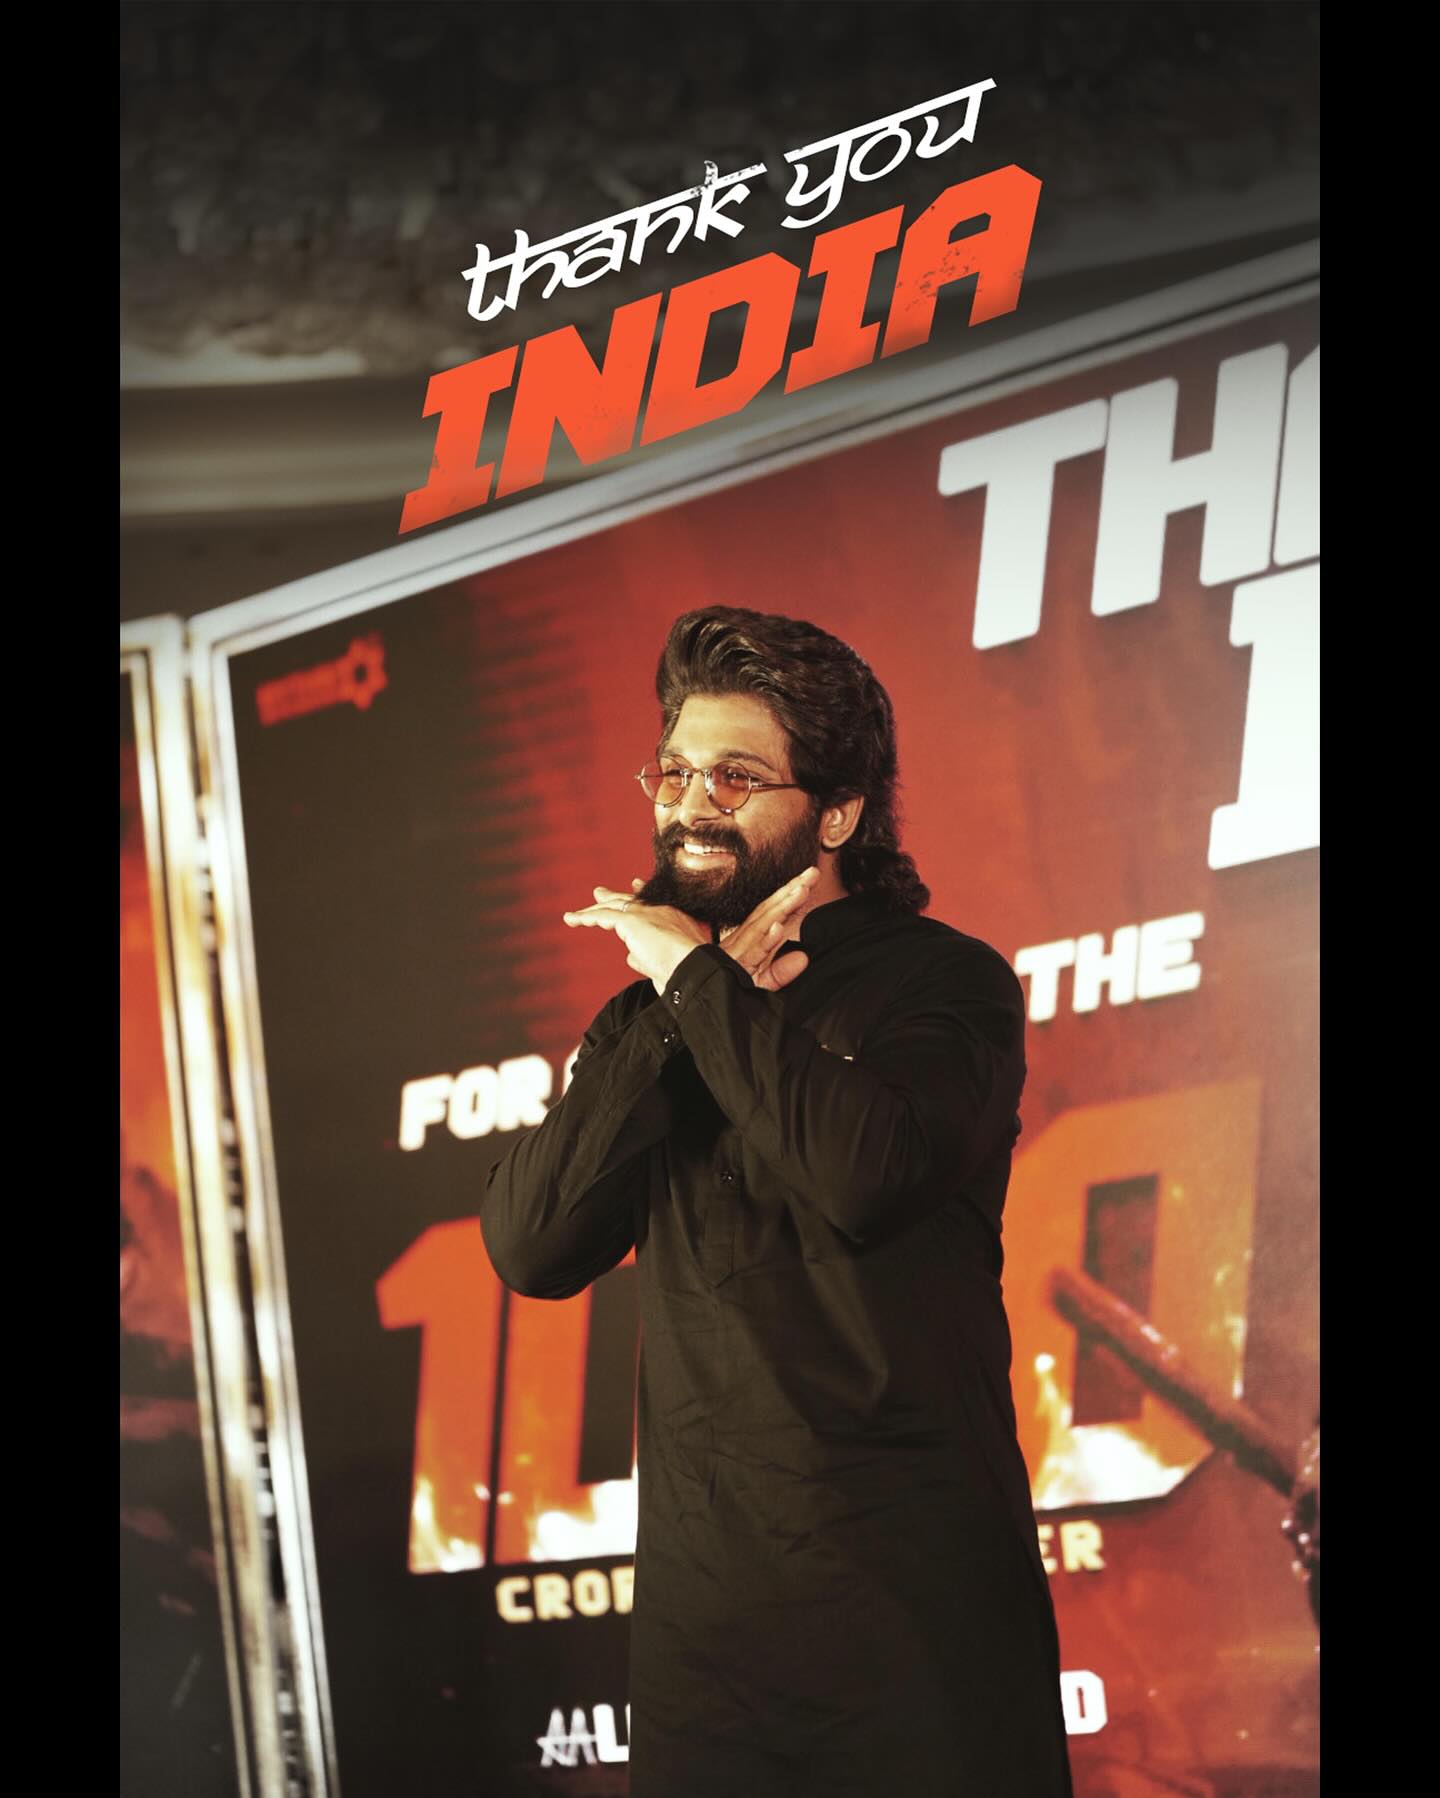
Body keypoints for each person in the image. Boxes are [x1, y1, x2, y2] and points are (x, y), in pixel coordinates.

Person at [481, 607, 1074, 1798]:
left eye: (737, 777)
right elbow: (533, 1245)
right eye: (674, 772)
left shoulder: (946, 982)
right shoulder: (647, 1018)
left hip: (918, 1637)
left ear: (837, 814)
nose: (690, 805)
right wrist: (675, 1011)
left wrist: (698, 984)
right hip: (710, 1660)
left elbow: (867, 1175)